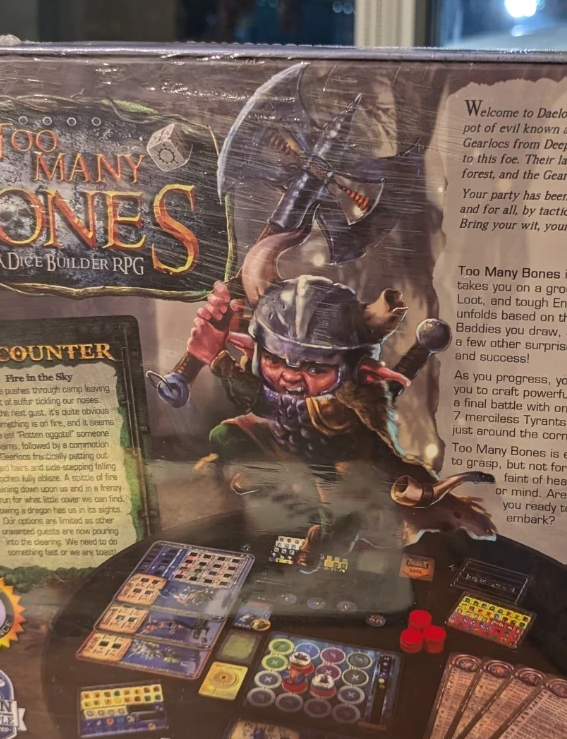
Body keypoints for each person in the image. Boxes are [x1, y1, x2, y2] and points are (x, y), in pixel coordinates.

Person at [186, 230, 494, 552]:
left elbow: (263, 402)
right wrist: (223, 342)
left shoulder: (338, 407)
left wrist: (218, 360)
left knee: (339, 506)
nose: (289, 377)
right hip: (286, 450)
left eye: (315, 369)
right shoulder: (279, 387)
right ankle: (271, 483)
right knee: (224, 436)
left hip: (335, 467)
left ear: (353, 368)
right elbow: (262, 401)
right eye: (275, 360)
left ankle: (331, 530)